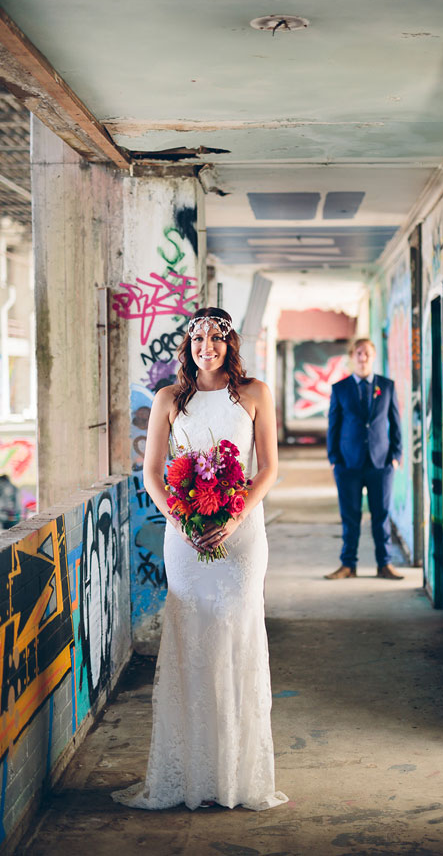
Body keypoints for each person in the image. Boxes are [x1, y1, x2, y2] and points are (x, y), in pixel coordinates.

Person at [112, 307, 287, 812]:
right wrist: (180, 520)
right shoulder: (170, 398)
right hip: (184, 536)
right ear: (187, 346)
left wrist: (231, 520)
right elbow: (151, 474)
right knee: (191, 639)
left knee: (237, 636)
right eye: (197, 338)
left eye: (215, 337)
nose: (205, 346)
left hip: (241, 532)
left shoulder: (254, 393)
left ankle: (237, 776)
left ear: (229, 343)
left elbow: (269, 469)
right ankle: (190, 774)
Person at [325, 338, 404, 580]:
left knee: (381, 515)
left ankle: (384, 564)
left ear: (374, 356)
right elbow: (333, 425)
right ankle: (348, 565)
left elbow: (395, 422)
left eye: (367, 353)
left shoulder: (387, 386)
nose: (363, 357)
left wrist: (396, 456)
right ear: (352, 356)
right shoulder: (340, 388)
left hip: (381, 463)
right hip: (348, 464)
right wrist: (334, 459)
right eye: (359, 353)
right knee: (350, 516)